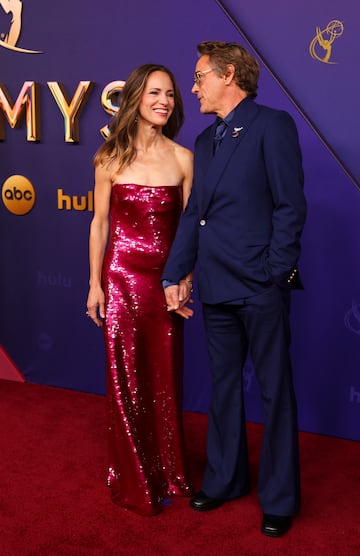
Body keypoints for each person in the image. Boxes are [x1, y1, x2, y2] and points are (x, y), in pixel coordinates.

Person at [162, 41, 307, 537]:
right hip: (216, 285)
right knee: (223, 389)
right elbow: (194, 215)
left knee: (274, 392)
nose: (194, 85)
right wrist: (173, 273)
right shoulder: (204, 142)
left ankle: (281, 498)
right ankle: (225, 480)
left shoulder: (272, 125)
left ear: (229, 76)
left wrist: (274, 271)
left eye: (201, 75)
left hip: (260, 286)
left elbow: (290, 205)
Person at [86, 63, 194, 516]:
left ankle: (168, 469)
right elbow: (100, 224)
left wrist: (186, 279)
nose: (164, 101)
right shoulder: (109, 158)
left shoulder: (184, 158)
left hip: (164, 284)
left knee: (163, 378)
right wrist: (94, 283)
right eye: (154, 93)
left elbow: (190, 231)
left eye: (169, 94)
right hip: (121, 278)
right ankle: (134, 473)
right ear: (135, 98)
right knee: (126, 379)